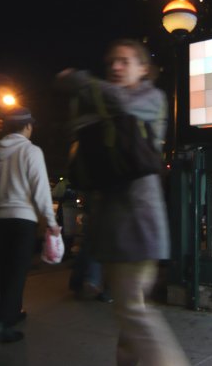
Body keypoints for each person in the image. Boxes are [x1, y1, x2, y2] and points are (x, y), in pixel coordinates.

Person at [57, 39, 189, 366]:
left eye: (124, 61)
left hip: (136, 226)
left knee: (132, 310)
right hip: (119, 229)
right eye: (111, 62)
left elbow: (118, 103)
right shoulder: (111, 105)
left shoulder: (150, 98)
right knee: (130, 314)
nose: (115, 67)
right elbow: (81, 126)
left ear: (144, 69)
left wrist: (81, 80)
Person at [0, 107, 61, 343]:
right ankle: (1, 323)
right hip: (23, 219)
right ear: (27, 126)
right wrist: (51, 220)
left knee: (6, 269)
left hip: (2, 219)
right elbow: (40, 190)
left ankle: (13, 312)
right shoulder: (31, 151)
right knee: (17, 272)